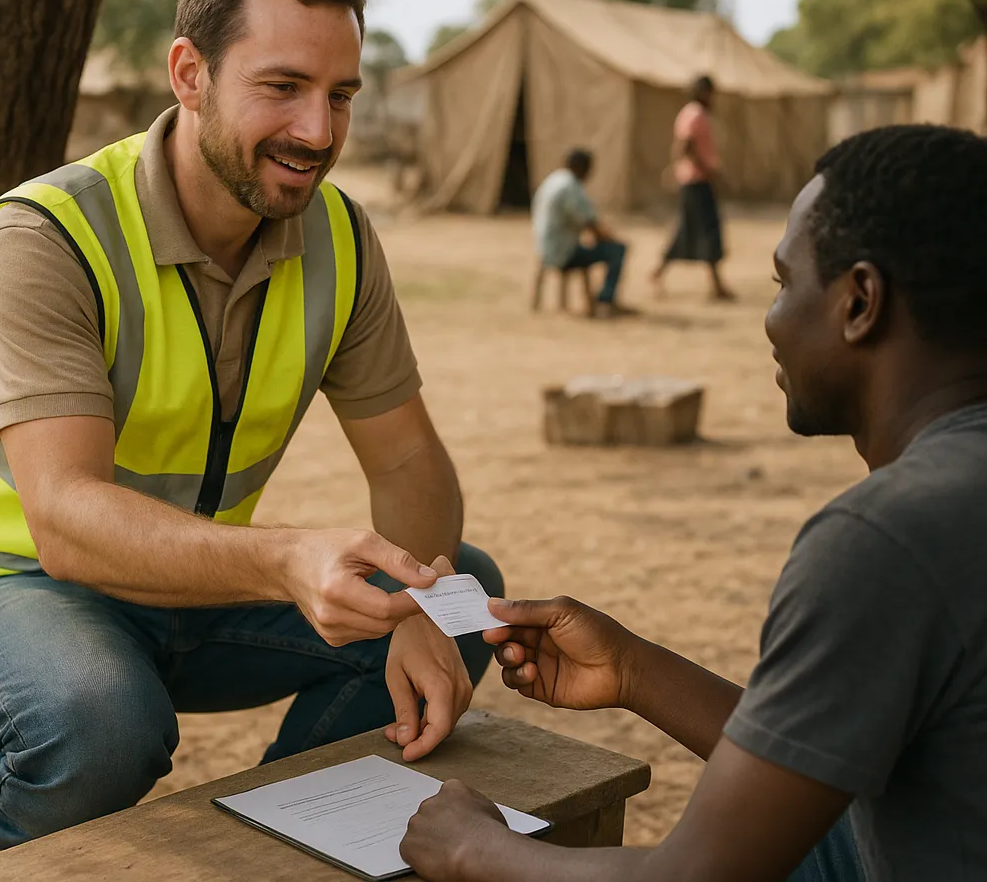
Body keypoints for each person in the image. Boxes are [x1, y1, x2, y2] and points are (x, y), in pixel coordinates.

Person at [0, 0, 503, 856]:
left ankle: (282, 847)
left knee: (466, 594)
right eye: (283, 86)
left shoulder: (339, 235)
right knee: (102, 724)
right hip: (11, 582)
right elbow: (63, 520)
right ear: (190, 74)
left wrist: (419, 602)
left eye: (340, 96)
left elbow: (409, 458)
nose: (319, 133)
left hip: (193, 584)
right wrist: (287, 559)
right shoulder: (43, 235)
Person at [401, 124, 987, 882]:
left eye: (783, 285)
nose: (770, 321)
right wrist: (634, 671)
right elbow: (818, 753)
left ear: (859, 302)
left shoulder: (885, 539)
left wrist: (471, 847)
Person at [652, 75, 735, 301]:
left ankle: (660, 272)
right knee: (707, 230)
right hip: (697, 180)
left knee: (689, 229)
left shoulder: (693, 114)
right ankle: (717, 286)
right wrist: (708, 171)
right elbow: (686, 146)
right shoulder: (695, 114)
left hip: (696, 179)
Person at [531, 149, 630, 318]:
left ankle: (601, 300)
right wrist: (611, 238)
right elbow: (591, 225)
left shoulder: (553, 180)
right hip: (563, 252)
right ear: (581, 168)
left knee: (602, 247)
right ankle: (605, 301)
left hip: (544, 246)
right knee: (617, 249)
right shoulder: (571, 188)